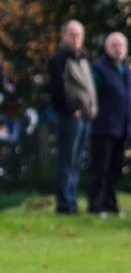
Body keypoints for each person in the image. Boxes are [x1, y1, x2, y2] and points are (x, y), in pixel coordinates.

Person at [47, 20, 96, 215]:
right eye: (72, 35)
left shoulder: (81, 58)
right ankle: (64, 204)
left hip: (84, 116)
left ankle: (72, 200)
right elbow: (58, 89)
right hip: (70, 117)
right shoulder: (59, 59)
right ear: (64, 36)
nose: (76, 39)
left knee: (76, 161)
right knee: (67, 161)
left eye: (79, 35)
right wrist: (71, 109)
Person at [87, 32, 131, 217]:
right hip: (103, 127)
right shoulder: (99, 69)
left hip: (121, 127)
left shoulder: (126, 70)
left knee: (115, 169)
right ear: (107, 47)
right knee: (100, 168)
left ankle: (111, 204)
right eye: (114, 45)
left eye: (121, 45)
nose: (118, 49)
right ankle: (96, 205)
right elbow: (91, 95)